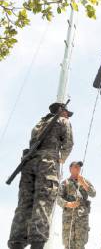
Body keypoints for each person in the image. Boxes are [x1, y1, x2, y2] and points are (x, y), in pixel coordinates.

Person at [8, 102, 74, 249]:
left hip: (29, 163)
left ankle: (16, 243)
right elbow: (68, 144)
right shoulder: (63, 120)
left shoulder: (39, 124)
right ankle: (37, 244)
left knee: (24, 205)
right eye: (66, 113)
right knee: (43, 202)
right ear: (61, 111)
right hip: (47, 164)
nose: (67, 115)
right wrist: (61, 159)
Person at [57, 161, 96, 249]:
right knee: (68, 244)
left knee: (80, 244)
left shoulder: (84, 181)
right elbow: (58, 198)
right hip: (68, 218)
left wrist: (84, 184)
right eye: (75, 166)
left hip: (82, 219)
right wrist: (68, 204)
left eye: (79, 167)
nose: (78, 168)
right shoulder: (64, 183)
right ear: (70, 169)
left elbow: (93, 194)